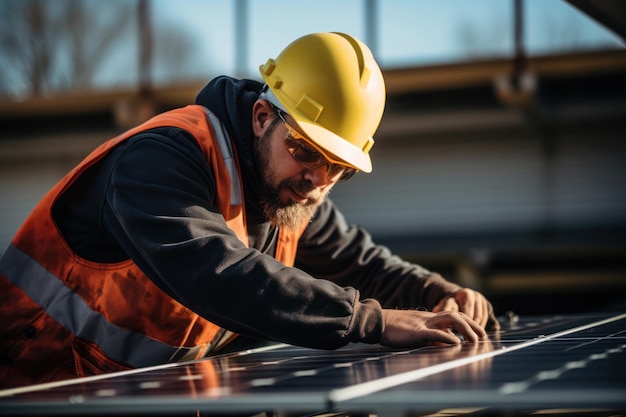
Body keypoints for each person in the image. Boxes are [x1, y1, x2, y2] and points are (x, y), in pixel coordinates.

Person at [0, 32, 499, 389]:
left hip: (128, 397)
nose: (318, 180)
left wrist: (436, 290)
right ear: (263, 117)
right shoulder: (160, 160)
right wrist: (374, 321)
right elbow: (216, 272)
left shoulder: (289, 192)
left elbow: (359, 260)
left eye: (338, 168)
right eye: (306, 150)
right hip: (30, 384)